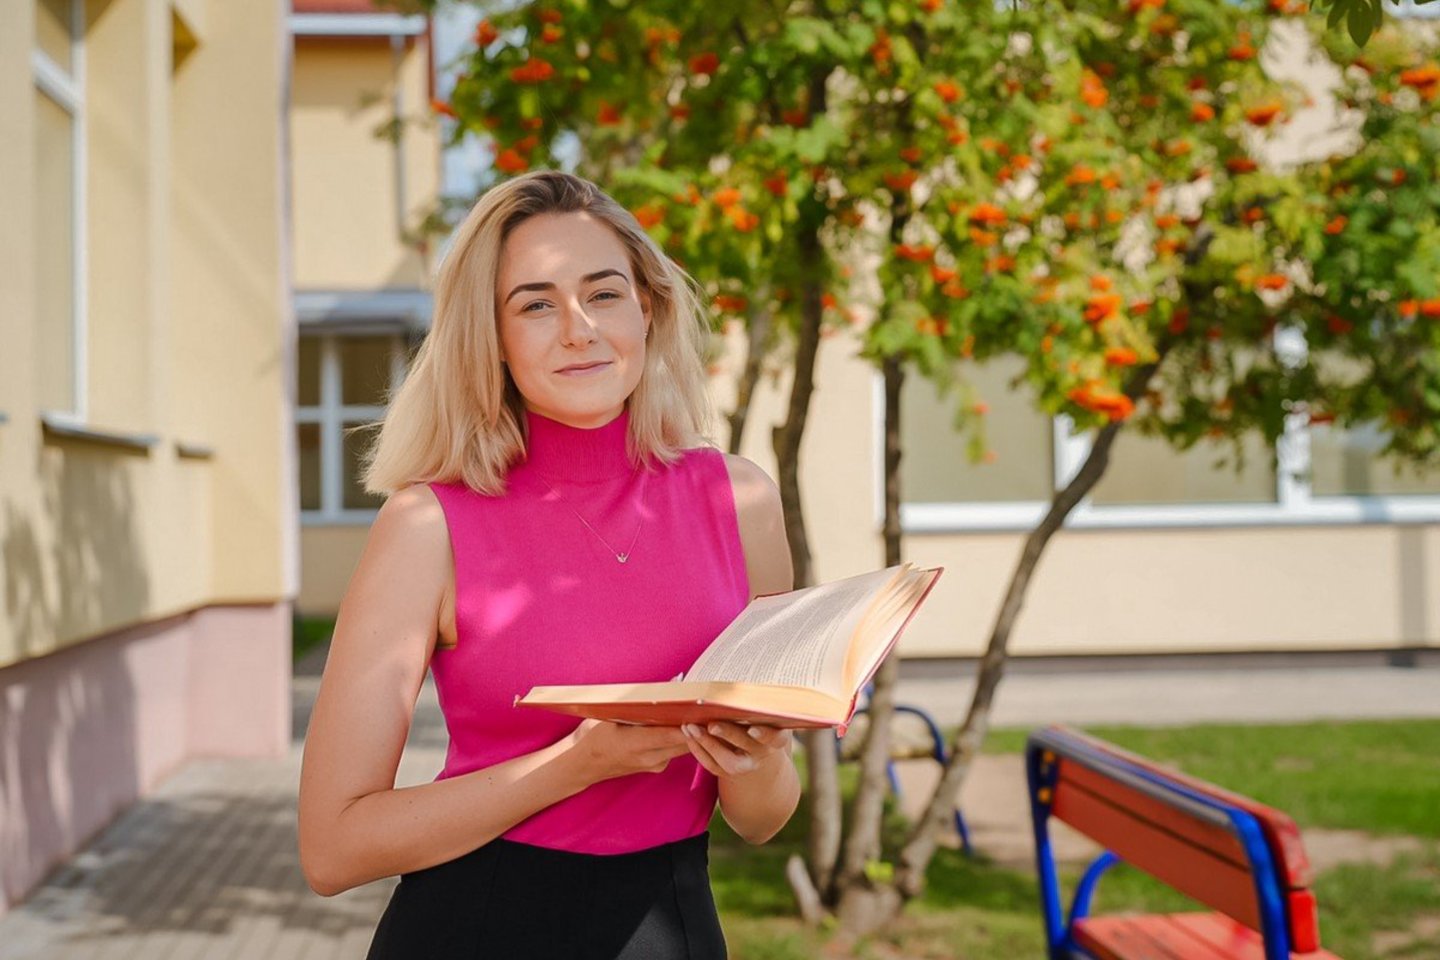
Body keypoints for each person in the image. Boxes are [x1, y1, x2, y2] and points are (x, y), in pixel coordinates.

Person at [297, 169, 801, 959]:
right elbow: (333, 848)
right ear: (491, 338)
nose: (579, 329)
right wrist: (576, 765)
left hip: (672, 925)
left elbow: (763, 818)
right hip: (478, 930)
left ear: (648, 308)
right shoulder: (429, 525)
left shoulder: (738, 502)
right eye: (535, 305)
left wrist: (757, 758)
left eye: (604, 294)